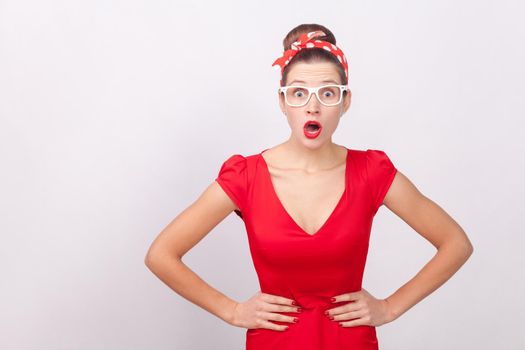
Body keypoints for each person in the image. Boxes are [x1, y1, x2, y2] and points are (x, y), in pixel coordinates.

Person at [144, 23, 474, 350]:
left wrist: (390, 307)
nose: (312, 107)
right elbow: (161, 254)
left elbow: (455, 243)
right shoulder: (246, 176)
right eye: (299, 93)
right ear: (282, 101)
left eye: (327, 93)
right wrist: (231, 310)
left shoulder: (371, 173)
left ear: (345, 102)